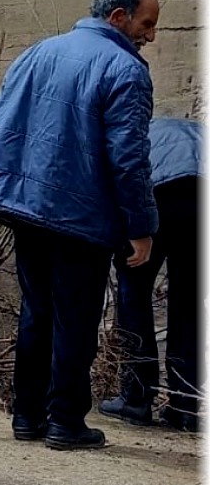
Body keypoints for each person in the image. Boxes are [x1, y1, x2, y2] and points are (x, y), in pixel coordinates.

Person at [0, 0, 160, 451]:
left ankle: (26, 416)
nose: (151, 36)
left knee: (37, 312)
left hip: (26, 208)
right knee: (75, 320)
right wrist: (141, 226)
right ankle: (65, 423)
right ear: (119, 17)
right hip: (80, 216)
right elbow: (129, 158)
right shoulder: (125, 69)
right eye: (147, 24)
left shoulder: (37, 52)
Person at [99, 117, 201, 433]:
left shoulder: (134, 135)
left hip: (159, 194)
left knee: (134, 295)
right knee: (189, 303)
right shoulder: (197, 134)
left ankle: (136, 399)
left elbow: (123, 180)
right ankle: (185, 405)